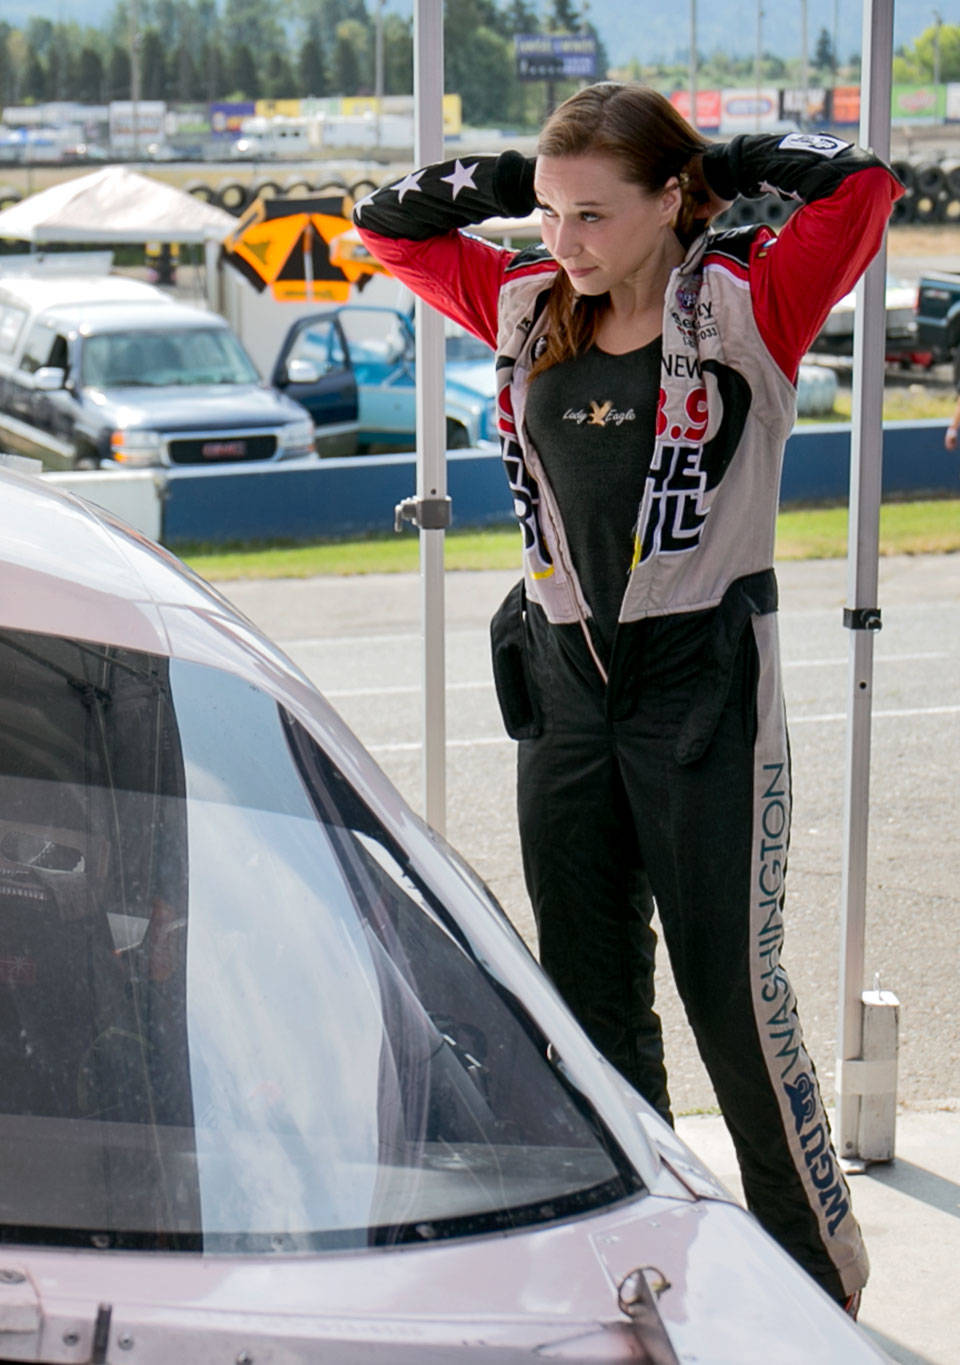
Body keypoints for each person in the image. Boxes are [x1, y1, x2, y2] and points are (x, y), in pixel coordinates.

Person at [353, 83, 900, 1315]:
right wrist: (510, 181)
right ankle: (637, 1263)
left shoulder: (747, 296)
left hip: (701, 677)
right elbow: (384, 223)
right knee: (587, 1000)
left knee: (731, 998)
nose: (563, 243)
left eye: (592, 216)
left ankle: (817, 1282)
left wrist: (723, 156)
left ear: (668, 202)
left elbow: (860, 187)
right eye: (547, 215)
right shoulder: (519, 298)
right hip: (561, 681)